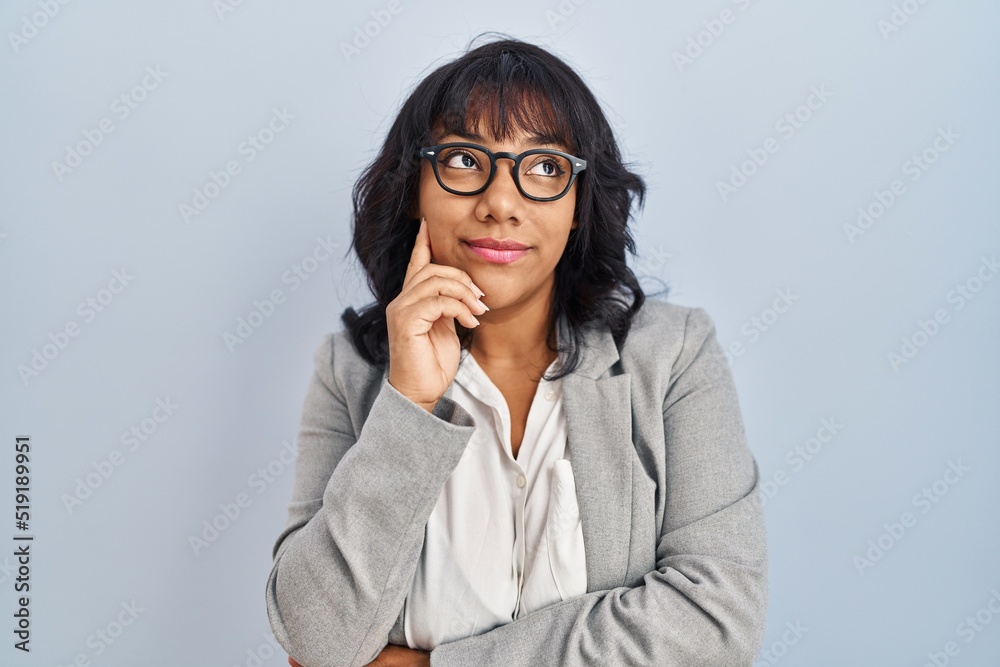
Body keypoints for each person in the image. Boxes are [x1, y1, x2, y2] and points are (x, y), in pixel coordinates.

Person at [265, 34, 768, 667]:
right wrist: (409, 405)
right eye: (464, 160)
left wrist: (429, 665)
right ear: (415, 186)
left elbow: (716, 625)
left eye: (545, 167)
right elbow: (315, 639)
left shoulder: (673, 356)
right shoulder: (351, 372)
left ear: (580, 204)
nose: (500, 203)